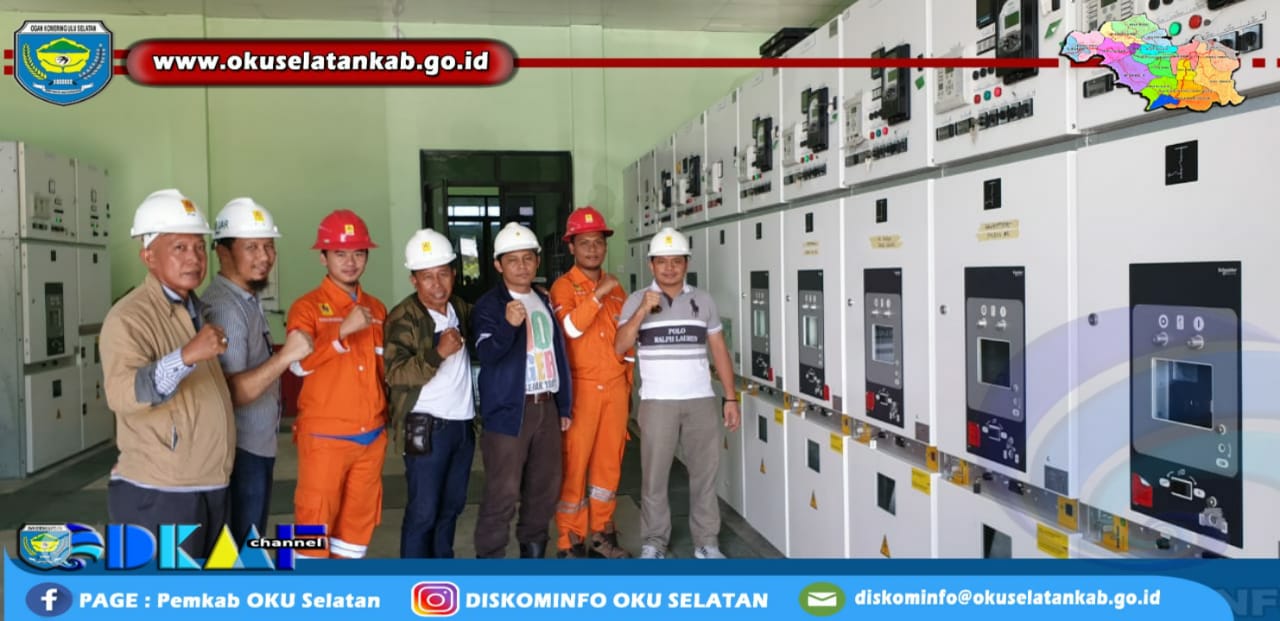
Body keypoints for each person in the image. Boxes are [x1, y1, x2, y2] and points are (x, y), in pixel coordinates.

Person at [100, 189, 235, 559]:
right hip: (160, 491)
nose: (194, 258)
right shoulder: (129, 317)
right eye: (179, 248)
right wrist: (187, 356)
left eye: (199, 247)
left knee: (207, 587)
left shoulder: (197, 310)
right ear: (148, 256)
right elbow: (123, 393)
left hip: (209, 482)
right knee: (165, 588)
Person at [615, 227, 742, 560]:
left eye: (676, 261)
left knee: (704, 475)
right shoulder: (636, 300)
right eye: (662, 261)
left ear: (687, 263)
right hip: (657, 402)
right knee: (654, 477)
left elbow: (719, 350)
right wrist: (642, 311)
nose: (669, 268)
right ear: (651, 265)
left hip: (700, 400)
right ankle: (654, 542)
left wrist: (730, 397)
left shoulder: (704, 300)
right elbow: (620, 345)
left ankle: (707, 542)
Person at [202, 197, 313, 543]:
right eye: (251, 247)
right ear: (223, 251)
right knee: (239, 547)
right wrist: (284, 357)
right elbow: (230, 392)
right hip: (240, 452)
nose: (265, 256)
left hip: (255, 446)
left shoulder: (245, 298)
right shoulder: (226, 308)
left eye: (268, 246)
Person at [285, 210, 388, 559]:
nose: (350, 262)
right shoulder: (307, 308)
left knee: (355, 534)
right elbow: (297, 365)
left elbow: (383, 371)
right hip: (325, 439)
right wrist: (341, 332)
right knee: (313, 530)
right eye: (340, 253)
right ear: (323, 257)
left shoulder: (377, 309)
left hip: (371, 437)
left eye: (358, 253)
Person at [472, 222, 573, 559]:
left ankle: (532, 565)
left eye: (527, 258)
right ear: (498, 265)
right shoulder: (489, 305)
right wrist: (507, 326)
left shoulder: (543, 299)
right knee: (502, 493)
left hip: (546, 406)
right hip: (509, 411)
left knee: (543, 491)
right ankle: (491, 566)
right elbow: (486, 355)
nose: (521, 266)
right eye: (512, 260)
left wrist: (564, 406)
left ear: (537, 261)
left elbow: (557, 354)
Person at [384, 229, 476, 558]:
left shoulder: (459, 308)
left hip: (462, 426)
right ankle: (412, 581)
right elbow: (395, 374)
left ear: (454, 274)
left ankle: (441, 576)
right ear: (414, 281)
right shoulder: (403, 317)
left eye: (443, 274)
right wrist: (437, 354)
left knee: (451, 508)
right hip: (423, 427)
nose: (437, 284)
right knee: (423, 512)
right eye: (427, 277)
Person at [549, 207, 633, 559]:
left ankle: (601, 534)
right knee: (574, 466)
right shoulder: (563, 288)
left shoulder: (617, 289)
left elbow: (627, 340)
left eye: (598, 242)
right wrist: (598, 295)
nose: (592, 249)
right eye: (584, 243)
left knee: (608, 466)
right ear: (571, 247)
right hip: (581, 390)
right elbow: (570, 329)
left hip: (614, 389)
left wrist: (628, 382)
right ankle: (569, 540)